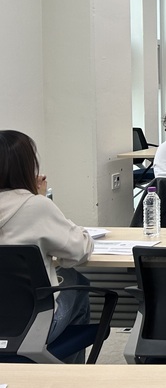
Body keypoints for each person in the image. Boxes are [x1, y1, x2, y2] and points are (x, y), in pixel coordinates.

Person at [0, 130, 94, 353]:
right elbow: (79, 250)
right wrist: (39, 199)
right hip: (29, 326)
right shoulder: (36, 207)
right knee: (77, 282)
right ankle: (62, 368)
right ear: (26, 166)